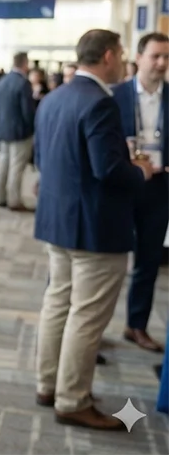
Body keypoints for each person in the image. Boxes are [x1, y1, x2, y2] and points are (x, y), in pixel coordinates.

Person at [34, 29, 153, 430]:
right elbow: (109, 170)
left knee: (57, 305)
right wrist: (141, 171)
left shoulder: (55, 97)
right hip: (95, 228)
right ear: (107, 55)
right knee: (86, 317)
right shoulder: (101, 102)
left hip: (58, 220)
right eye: (121, 53)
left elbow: (44, 158)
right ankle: (72, 399)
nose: (123, 61)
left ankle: (48, 384)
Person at [112, 32, 169, 352]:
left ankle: (137, 325)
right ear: (138, 57)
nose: (161, 63)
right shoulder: (114, 95)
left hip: (159, 187)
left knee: (148, 261)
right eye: (156, 56)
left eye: (166, 57)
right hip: (122, 186)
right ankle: (94, 331)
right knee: (108, 263)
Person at [0, 52, 35, 211]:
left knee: (3, 163)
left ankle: (0, 196)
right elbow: (27, 111)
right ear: (25, 63)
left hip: (3, 129)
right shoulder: (23, 83)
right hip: (20, 132)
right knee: (16, 166)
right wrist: (32, 128)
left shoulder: (2, 81)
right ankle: (14, 200)